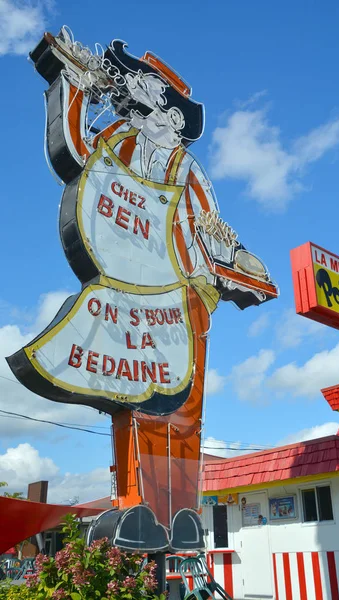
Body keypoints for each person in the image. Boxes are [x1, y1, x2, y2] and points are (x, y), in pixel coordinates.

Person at [8, 27, 278, 552]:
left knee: (182, 409)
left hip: (183, 298)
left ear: (174, 117)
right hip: (130, 292)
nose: (135, 96)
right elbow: (77, 148)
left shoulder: (187, 169)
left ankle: (180, 514)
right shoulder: (120, 142)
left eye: (148, 92)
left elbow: (217, 238)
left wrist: (232, 259)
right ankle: (144, 512)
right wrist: (72, 80)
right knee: (142, 397)